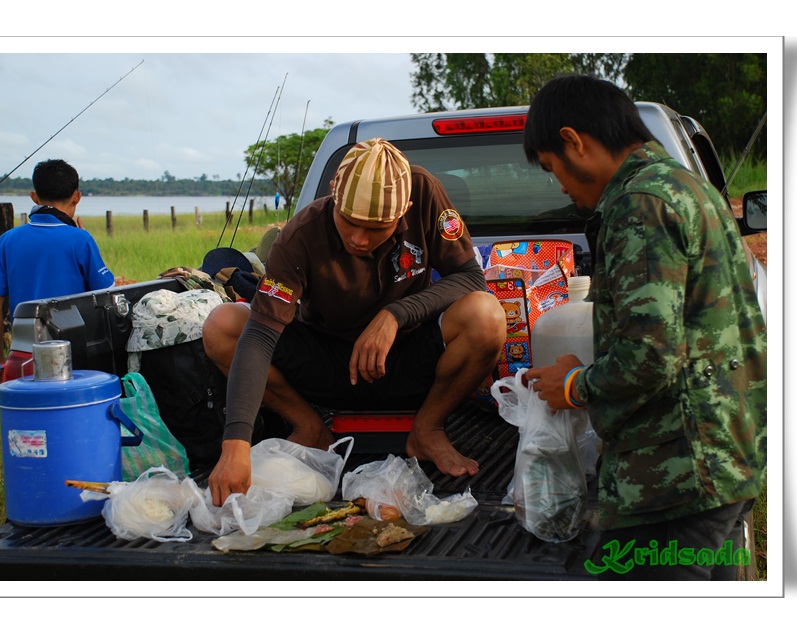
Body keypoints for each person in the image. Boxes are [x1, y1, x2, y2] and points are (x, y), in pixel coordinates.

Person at [521, 75, 766, 581]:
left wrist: (572, 386)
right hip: (727, 455)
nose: (560, 187)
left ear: (575, 142)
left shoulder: (640, 205)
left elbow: (649, 355)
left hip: (676, 476)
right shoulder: (686, 186)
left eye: (552, 169)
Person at [202, 138, 506, 507]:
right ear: (333, 194)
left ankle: (428, 429)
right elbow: (260, 336)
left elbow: (470, 277)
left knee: (486, 314)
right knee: (223, 324)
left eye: (378, 228)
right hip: (328, 366)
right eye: (348, 222)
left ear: (405, 210)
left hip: (408, 358)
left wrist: (396, 314)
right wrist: (236, 443)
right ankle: (311, 428)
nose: (359, 239)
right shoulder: (299, 236)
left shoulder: (424, 193)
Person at [0, 159, 114, 385]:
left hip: (25, 356)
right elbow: (108, 295)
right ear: (77, 197)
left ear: (34, 197)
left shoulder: (7, 241)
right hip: (75, 356)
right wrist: (83, 240)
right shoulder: (80, 239)